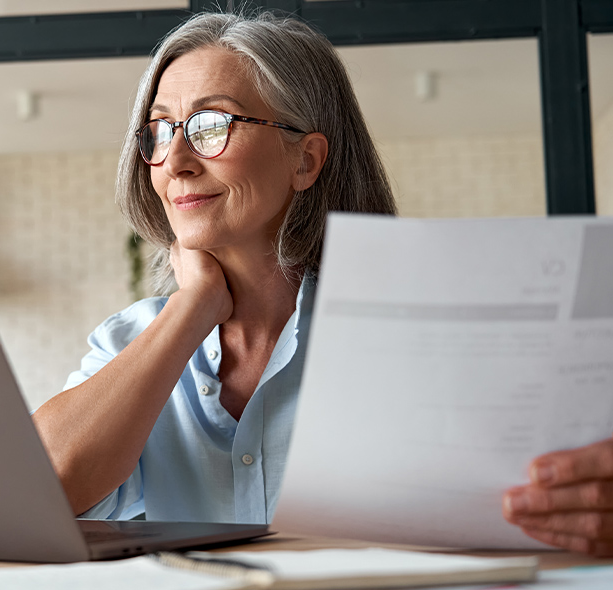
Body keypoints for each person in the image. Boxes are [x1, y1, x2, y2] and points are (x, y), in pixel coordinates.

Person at [32, 11, 613, 557]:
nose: (176, 158)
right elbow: (38, 491)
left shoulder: (423, 327)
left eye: (212, 126)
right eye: (159, 131)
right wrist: (192, 308)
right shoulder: (127, 342)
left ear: (306, 160)